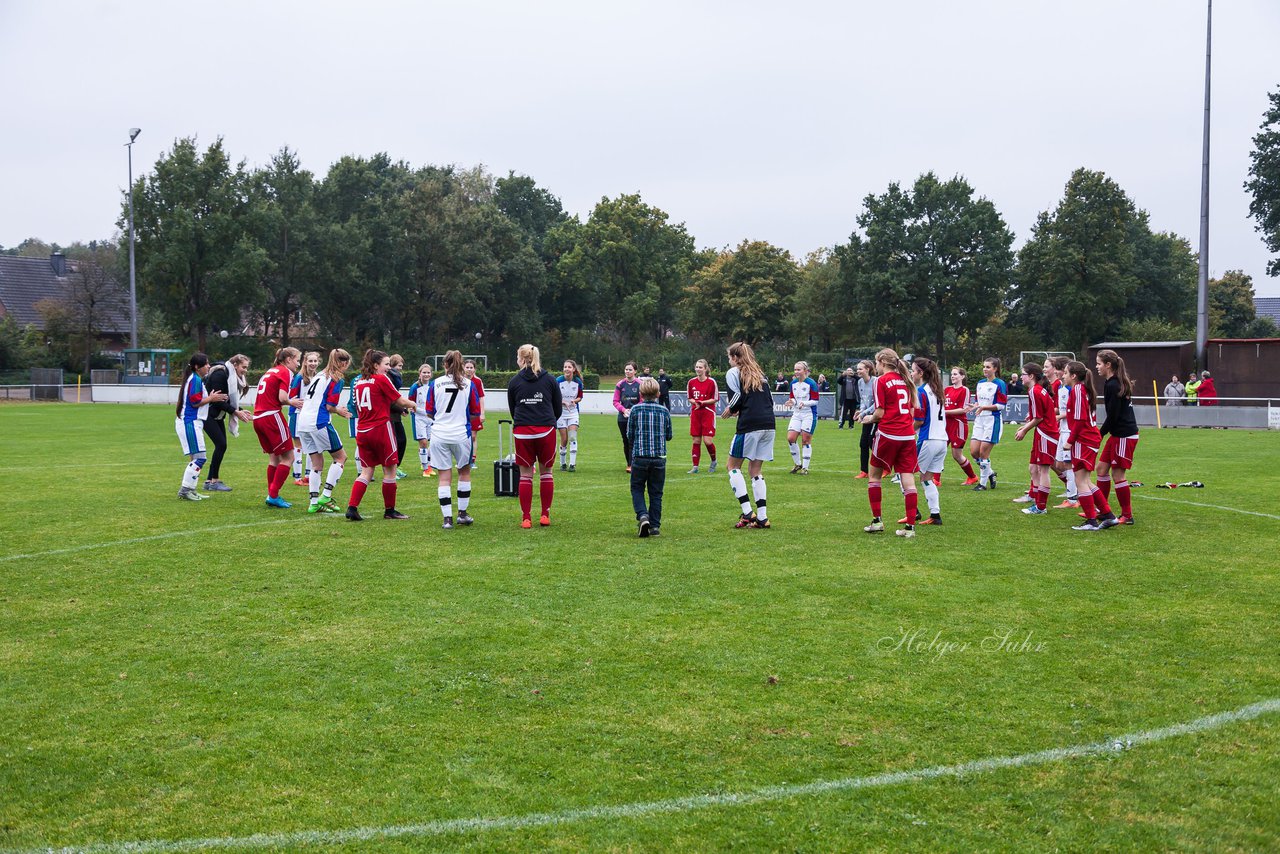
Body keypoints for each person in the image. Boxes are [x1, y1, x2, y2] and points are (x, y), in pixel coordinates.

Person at [346, 349, 414, 521]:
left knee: (366, 471)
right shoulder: (381, 379)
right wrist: (415, 404)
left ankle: (352, 507)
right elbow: (400, 401)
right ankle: (390, 510)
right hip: (381, 429)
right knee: (390, 470)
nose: (389, 368)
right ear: (376, 365)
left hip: (362, 430)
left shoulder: (359, 382)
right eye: (386, 364)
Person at [861, 348, 920, 537]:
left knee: (874, 476)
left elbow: (879, 413)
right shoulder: (905, 380)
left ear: (882, 362)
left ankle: (877, 521)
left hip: (888, 434)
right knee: (908, 481)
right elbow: (911, 411)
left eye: (876, 363)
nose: (875, 366)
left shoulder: (881, 381)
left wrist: (868, 418)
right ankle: (910, 527)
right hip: (908, 436)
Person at [425, 350, 484, 529]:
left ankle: (447, 519)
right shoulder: (468, 383)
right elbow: (475, 413)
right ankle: (462, 514)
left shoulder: (435, 383)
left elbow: (429, 411)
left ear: (444, 365)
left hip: (439, 435)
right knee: (464, 473)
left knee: (444, 477)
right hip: (460, 435)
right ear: (461, 365)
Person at [507, 344, 563, 528]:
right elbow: (558, 409)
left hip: (523, 433)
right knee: (546, 472)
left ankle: (526, 518)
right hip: (546, 430)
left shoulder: (514, 381)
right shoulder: (550, 380)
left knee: (525, 476)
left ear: (522, 359)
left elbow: (513, 410)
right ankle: (545, 515)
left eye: (517, 357)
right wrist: (546, 419)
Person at [723, 342, 775, 529]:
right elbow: (767, 399)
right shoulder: (760, 373)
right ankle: (762, 517)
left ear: (736, 358)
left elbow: (736, 398)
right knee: (755, 470)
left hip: (750, 425)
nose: (729, 361)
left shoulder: (734, 372)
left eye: (730, 357)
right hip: (769, 424)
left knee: (732, 466)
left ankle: (747, 512)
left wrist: (730, 410)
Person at [1063, 360, 1119, 531]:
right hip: (1087, 438)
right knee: (1086, 480)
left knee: (1080, 481)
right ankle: (1108, 516)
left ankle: (1091, 521)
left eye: (1065, 373)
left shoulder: (1078, 390)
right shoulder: (1079, 389)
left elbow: (1080, 420)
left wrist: (1070, 441)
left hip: (1084, 439)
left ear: (1073, 376)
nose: (1063, 376)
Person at [296, 349, 353, 514]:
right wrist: (339, 411)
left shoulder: (319, 375)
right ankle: (326, 495)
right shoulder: (337, 379)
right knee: (341, 457)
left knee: (316, 463)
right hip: (318, 422)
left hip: (303, 423)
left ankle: (314, 503)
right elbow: (329, 406)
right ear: (343, 363)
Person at [252, 347, 304, 509]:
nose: (298, 364)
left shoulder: (270, 371)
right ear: (288, 359)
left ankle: (272, 493)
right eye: (297, 360)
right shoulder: (285, 372)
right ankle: (273, 495)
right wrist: (292, 402)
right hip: (271, 416)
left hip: (258, 417)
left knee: (274, 458)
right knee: (289, 458)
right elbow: (282, 398)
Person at [174, 352, 228, 501]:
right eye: (206, 364)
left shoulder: (195, 379)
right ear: (198, 367)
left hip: (192, 422)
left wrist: (209, 397)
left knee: (196, 458)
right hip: (190, 422)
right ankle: (185, 490)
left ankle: (190, 489)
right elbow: (194, 402)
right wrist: (211, 398)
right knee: (200, 458)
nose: (209, 366)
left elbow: (196, 399)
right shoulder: (195, 380)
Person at [1096, 349, 1140, 525]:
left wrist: (1099, 434)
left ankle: (1127, 516)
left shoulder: (1114, 384)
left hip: (1124, 435)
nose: (1097, 367)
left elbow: (1113, 416)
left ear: (1108, 365)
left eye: (1099, 363)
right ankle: (1102, 510)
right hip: (1117, 434)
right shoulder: (1112, 383)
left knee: (1118, 475)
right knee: (1101, 469)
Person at [628, 377, 673, 537]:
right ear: (658, 393)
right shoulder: (664, 411)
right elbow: (669, 435)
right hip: (659, 457)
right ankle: (654, 526)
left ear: (640, 394)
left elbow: (630, 435)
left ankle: (642, 515)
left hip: (640, 456)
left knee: (637, 488)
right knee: (656, 493)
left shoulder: (635, 410)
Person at [201, 354, 252, 492]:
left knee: (222, 445)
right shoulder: (221, 375)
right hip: (207, 414)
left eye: (247, 367)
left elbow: (226, 401)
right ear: (235, 365)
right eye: (243, 367)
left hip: (217, 415)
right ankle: (214, 481)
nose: (245, 370)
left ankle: (209, 480)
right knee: (221, 445)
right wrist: (236, 412)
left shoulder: (231, 376)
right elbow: (218, 400)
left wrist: (240, 410)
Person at [1013, 363, 1058, 515]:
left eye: (1023, 374)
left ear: (1031, 376)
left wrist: (1024, 430)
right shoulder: (1036, 390)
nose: (1021, 377)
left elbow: (1039, 418)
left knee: (1043, 470)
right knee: (1033, 468)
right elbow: (1039, 414)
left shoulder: (1035, 390)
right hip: (1043, 432)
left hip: (1047, 434)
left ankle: (1041, 507)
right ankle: (1036, 499)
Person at [910, 357, 947, 525]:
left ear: (921, 373)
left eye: (913, 370)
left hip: (928, 440)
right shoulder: (937, 390)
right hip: (941, 441)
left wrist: (906, 431)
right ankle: (935, 515)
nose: (911, 373)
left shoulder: (921, 391)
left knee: (904, 473)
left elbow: (919, 420)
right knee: (927, 478)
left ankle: (913, 511)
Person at [967, 357, 1007, 491]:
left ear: (995, 369)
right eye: (984, 366)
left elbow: (1001, 405)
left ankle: (982, 484)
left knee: (983, 453)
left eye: (988, 367)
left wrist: (984, 408)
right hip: (980, 420)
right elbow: (979, 402)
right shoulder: (980, 383)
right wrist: (975, 406)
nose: (985, 369)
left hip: (992, 420)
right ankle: (990, 473)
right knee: (974, 452)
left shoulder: (1000, 383)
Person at [1046, 356, 1079, 509]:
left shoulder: (1073, 389)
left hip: (1070, 429)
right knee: (1058, 463)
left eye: (1060, 370)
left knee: (1068, 464)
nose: (1058, 373)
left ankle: (1072, 498)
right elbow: (1063, 408)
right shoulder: (1061, 388)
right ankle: (1075, 489)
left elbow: (1073, 411)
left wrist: (1058, 416)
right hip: (1063, 429)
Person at [289, 351, 320, 485]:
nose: (313, 363)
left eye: (315, 361)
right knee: (299, 446)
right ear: (305, 362)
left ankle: (308, 476)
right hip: (297, 414)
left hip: (310, 416)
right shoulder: (299, 377)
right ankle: (297, 478)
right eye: (310, 361)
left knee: (310, 445)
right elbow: (292, 396)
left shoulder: (318, 377)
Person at [942, 367, 978, 485]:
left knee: (956, 455)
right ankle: (936, 479)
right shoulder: (946, 389)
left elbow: (963, 410)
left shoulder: (964, 390)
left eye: (955, 374)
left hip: (958, 425)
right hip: (945, 424)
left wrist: (945, 412)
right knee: (939, 451)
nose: (953, 376)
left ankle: (972, 477)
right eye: (952, 374)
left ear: (962, 376)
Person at [785, 360, 819, 474]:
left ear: (805, 370)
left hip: (808, 414)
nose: (796, 372)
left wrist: (804, 403)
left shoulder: (811, 383)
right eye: (795, 369)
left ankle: (805, 468)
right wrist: (791, 401)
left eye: (799, 369)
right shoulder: (793, 383)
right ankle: (797, 464)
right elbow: (793, 397)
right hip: (797, 414)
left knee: (805, 440)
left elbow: (815, 401)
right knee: (790, 438)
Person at [686, 358, 719, 473]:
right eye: (697, 367)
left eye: (700, 367)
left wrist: (702, 403)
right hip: (696, 413)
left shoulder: (711, 382)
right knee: (696, 440)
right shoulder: (691, 382)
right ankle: (695, 467)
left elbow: (715, 399)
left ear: (705, 369)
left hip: (708, 413)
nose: (698, 369)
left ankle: (714, 461)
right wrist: (695, 402)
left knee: (708, 441)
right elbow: (690, 397)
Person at [613, 362, 642, 472]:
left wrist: (633, 410)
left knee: (633, 440)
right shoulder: (620, 384)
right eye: (626, 369)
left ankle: (632, 464)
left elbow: (642, 400)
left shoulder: (640, 384)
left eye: (630, 370)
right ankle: (629, 463)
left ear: (635, 371)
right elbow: (615, 401)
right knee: (625, 440)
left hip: (636, 416)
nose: (627, 371)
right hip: (623, 417)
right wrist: (624, 410)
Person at [408, 364, 436, 477]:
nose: (426, 374)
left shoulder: (433, 386)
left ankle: (427, 463)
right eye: (424, 372)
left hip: (431, 418)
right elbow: (410, 403)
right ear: (420, 374)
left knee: (433, 443)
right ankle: (425, 468)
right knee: (423, 442)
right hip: (419, 418)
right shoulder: (415, 387)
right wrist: (415, 410)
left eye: (428, 372)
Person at [556, 360, 585, 472]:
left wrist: (574, 401)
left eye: (569, 367)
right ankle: (562, 463)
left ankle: (572, 464)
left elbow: (580, 397)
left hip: (573, 413)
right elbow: (555, 396)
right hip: (561, 413)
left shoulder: (578, 381)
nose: (567, 369)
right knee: (564, 439)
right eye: (565, 367)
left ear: (573, 369)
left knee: (572, 436)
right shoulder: (558, 381)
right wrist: (562, 402)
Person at [387, 354, 409, 479]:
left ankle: (396, 467)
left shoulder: (395, 377)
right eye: (399, 365)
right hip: (389, 416)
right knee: (396, 442)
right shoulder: (389, 378)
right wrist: (402, 408)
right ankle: (392, 470)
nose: (401, 368)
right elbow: (390, 399)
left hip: (395, 416)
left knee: (401, 441)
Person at [854, 360, 876, 478]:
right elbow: (863, 400)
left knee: (872, 443)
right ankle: (864, 471)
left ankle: (885, 467)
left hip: (876, 416)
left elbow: (877, 403)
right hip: (866, 416)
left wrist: (865, 413)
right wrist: (861, 411)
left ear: (867, 369)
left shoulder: (876, 381)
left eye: (860, 369)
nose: (858, 371)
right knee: (863, 443)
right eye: (857, 369)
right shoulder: (860, 382)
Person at [464, 359, 486, 464]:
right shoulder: (460, 380)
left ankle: (472, 460)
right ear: (463, 368)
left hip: (475, 412)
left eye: (471, 367)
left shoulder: (478, 381)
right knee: (463, 437)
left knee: (473, 436)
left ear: (474, 369)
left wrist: (482, 413)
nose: (469, 369)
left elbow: (481, 397)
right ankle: (463, 459)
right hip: (462, 412)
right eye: (467, 367)